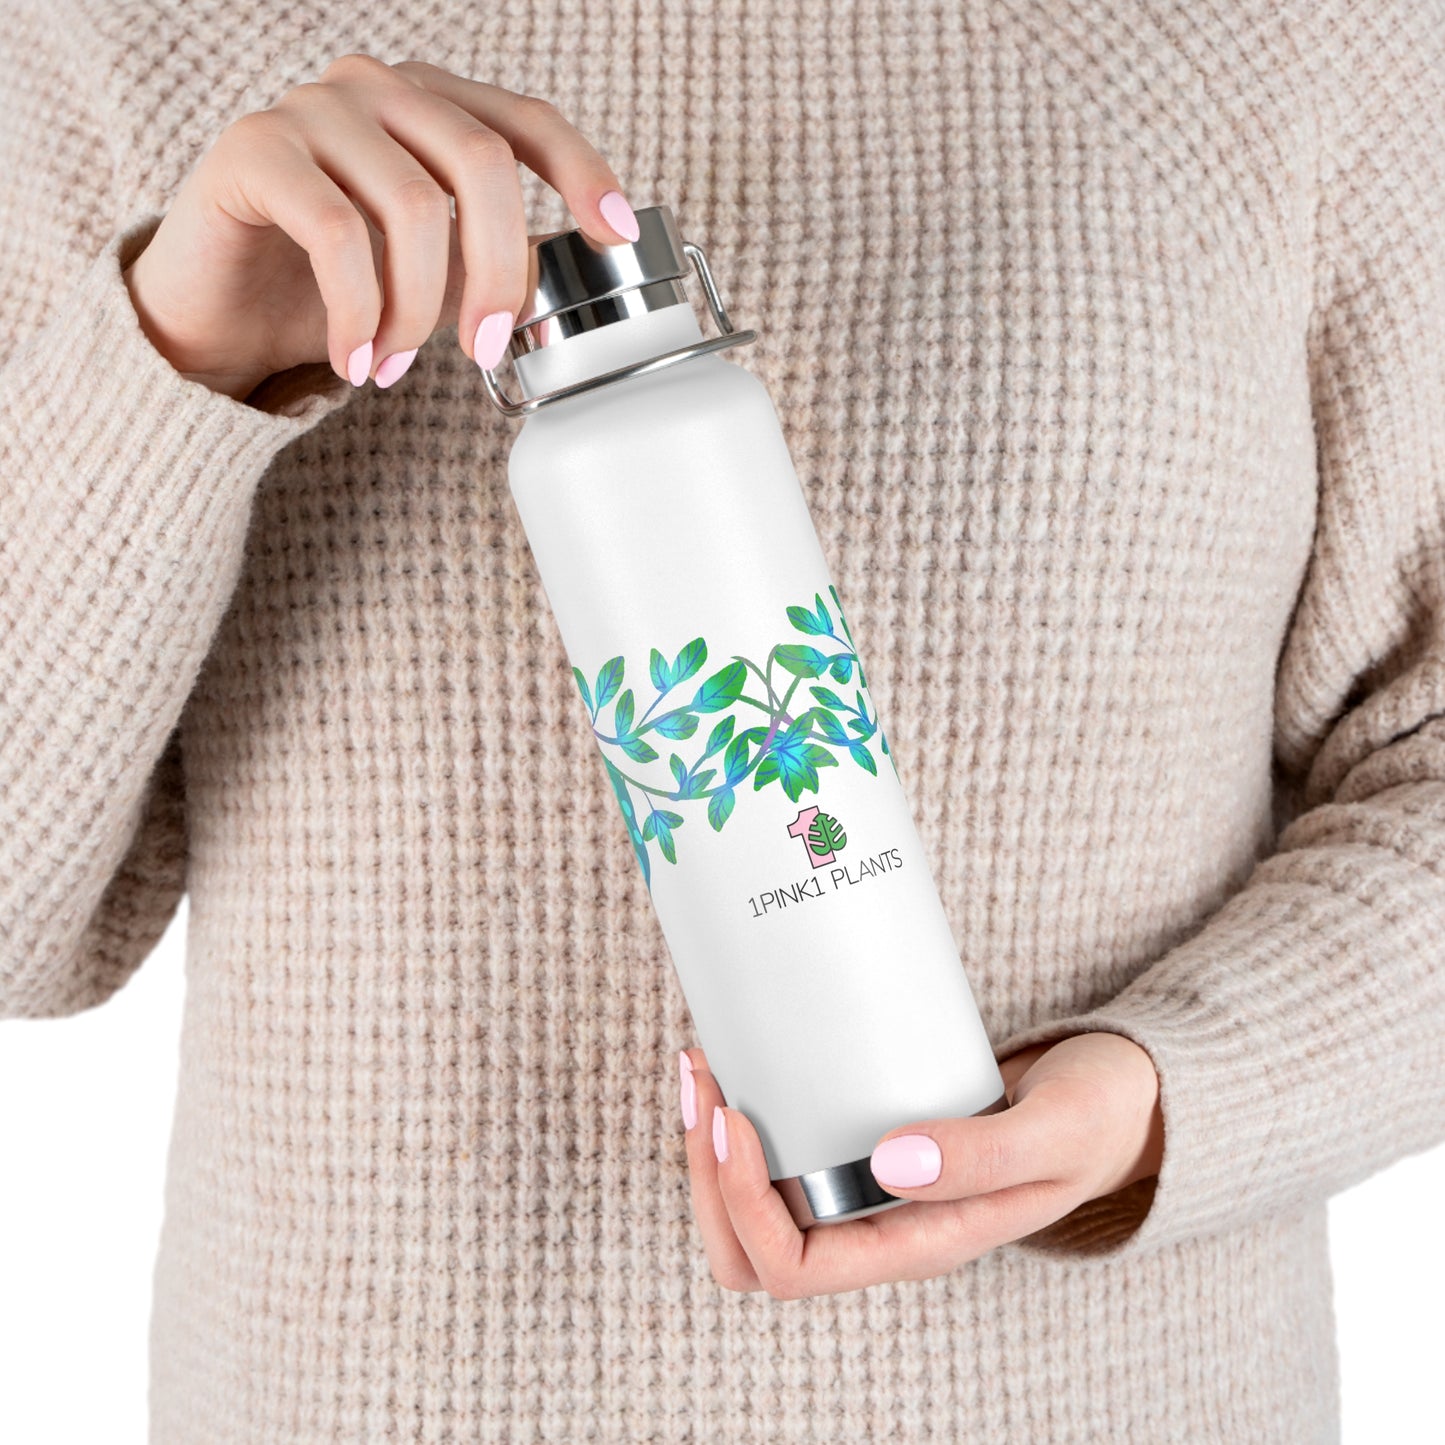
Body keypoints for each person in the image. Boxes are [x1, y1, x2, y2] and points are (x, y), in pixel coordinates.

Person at [1, 2, 1440, 1440]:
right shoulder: (115, 42)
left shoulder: (1305, 40)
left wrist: (1167, 1091)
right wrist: (168, 362)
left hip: (1120, 1399)